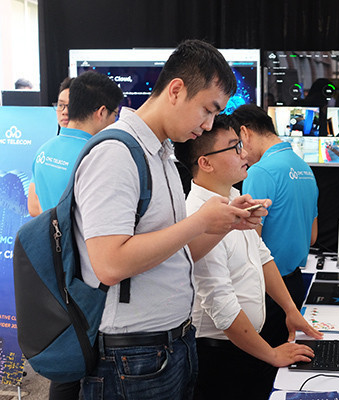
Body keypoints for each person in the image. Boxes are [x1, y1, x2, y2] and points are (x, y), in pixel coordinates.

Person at [72, 39, 266, 400]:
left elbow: (177, 254)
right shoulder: (116, 154)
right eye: (207, 110)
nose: (208, 125)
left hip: (170, 347)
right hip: (132, 356)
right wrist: (199, 221)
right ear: (176, 90)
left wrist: (226, 223)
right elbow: (109, 263)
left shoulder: (161, 155)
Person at [174, 114, 322, 400]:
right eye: (234, 147)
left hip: (247, 346)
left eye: (240, 145)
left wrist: (291, 310)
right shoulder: (196, 216)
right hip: (219, 355)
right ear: (205, 163)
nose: (243, 154)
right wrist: (271, 354)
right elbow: (222, 305)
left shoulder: (234, 198)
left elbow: (263, 256)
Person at [27, 71, 122, 400]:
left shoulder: (45, 149)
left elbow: (34, 206)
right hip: (88, 273)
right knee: (90, 360)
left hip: (53, 267)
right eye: (114, 114)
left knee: (67, 358)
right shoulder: (96, 155)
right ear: (101, 112)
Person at [231, 104, 319, 383]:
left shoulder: (260, 172)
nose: (238, 154)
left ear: (244, 132)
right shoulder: (304, 167)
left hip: (266, 288)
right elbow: (313, 236)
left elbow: (251, 241)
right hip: (293, 285)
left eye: (235, 144)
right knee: (285, 373)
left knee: (261, 375)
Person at [27, 77, 74, 217]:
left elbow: (34, 208)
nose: (64, 111)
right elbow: (32, 207)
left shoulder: (44, 149)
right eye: (60, 105)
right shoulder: (44, 150)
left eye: (71, 106)